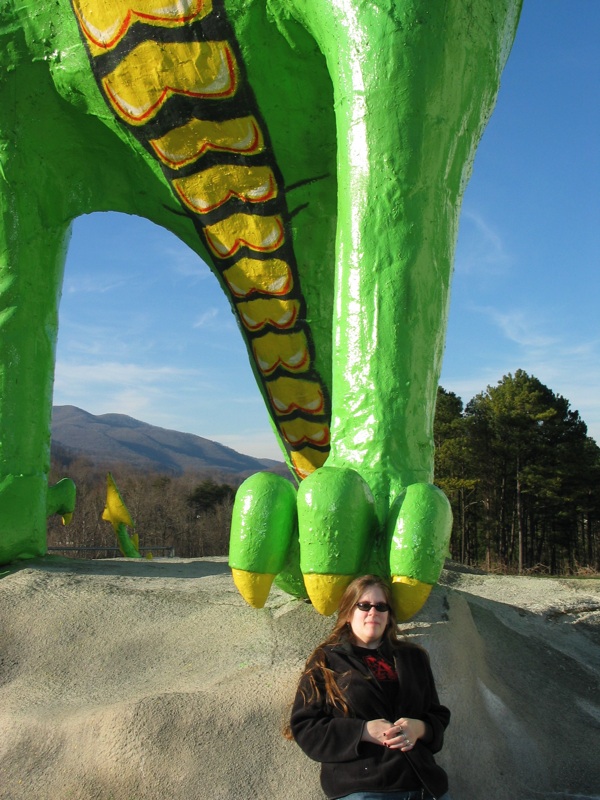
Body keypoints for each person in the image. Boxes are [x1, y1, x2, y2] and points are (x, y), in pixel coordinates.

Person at [289, 575, 451, 800]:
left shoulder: (413, 658)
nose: (373, 612)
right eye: (364, 605)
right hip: (363, 786)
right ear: (348, 613)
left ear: (389, 616)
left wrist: (420, 729)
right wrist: (363, 731)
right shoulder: (326, 660)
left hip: (423, 783)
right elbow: (306, 727)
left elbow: (437, 715)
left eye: (381, 606)